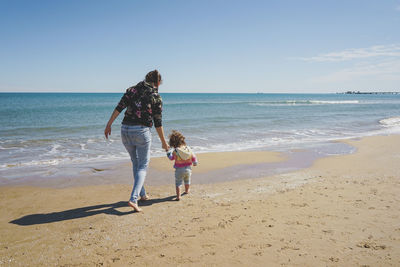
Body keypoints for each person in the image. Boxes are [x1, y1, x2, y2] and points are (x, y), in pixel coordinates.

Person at [104, 70, 169, 212]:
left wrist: (109, 124)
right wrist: (164, 142)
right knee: (143, 165)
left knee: (135, 162)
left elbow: (119, 107)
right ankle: (134, 199)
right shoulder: (156, 96)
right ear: (157, 82)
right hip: (141, 132)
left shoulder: (132, 90)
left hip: (125, 130)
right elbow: (158, 122)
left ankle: (142, 194)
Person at [166, 130, 198, 200]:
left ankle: (178, 196)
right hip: (188, 169)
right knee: (187, 180)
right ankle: (187, 191)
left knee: (178, 182)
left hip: (179, 169)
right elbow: (193, 156)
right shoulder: (188, 149)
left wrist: (168, 153)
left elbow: (171, 158)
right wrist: (195, 162)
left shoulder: (176, 151)